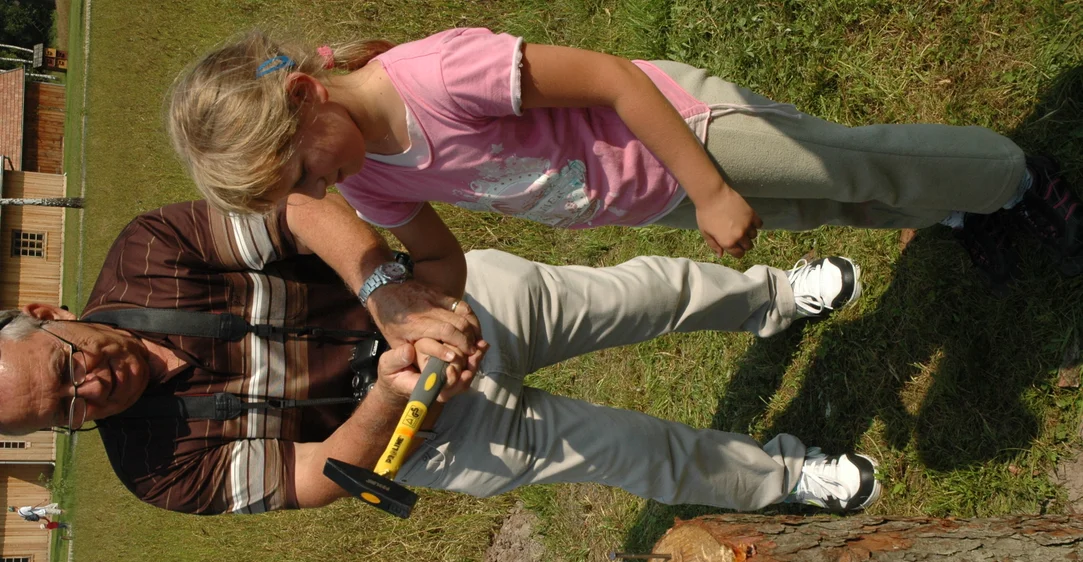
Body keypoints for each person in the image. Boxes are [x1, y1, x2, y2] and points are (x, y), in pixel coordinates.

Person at [0, 195, 878, 515]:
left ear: (50, 312)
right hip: (424, 434)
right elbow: (323, 475)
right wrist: (391, 394)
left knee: (638, 295)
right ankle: (789, 480)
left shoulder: (151, 250)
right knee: (631, 454)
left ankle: (771, 297)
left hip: (436, 308)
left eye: (69, 368)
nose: (94, 389)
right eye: (69, 411)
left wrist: (392, 297)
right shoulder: (156, 470)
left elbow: (300, 209)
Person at [167, 27, 1082, 290]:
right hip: (651, 195)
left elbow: (610, 81)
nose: (326, 189)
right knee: (824, 208)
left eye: (306, 172)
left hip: (688, 137)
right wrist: (418, 315)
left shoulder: (438, 76)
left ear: (302, 96)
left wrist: (711, 184)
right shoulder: (366, 168)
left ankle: (1016, 177)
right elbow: (438, 258)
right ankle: (967, 210)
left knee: (845, 166)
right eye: (307, 192)